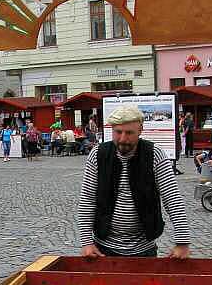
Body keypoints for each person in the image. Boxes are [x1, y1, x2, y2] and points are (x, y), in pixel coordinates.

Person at [78, 104, 190, 259]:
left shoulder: (155, 155)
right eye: (118, 132)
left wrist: (182, 242)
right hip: (102, 249)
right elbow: (87, 200)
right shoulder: (97, 154)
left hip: (144, 249)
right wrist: (86, 242)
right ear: (111, 130)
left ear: (140, 130)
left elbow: (172, 199)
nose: (123, 138)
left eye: (129, 133)